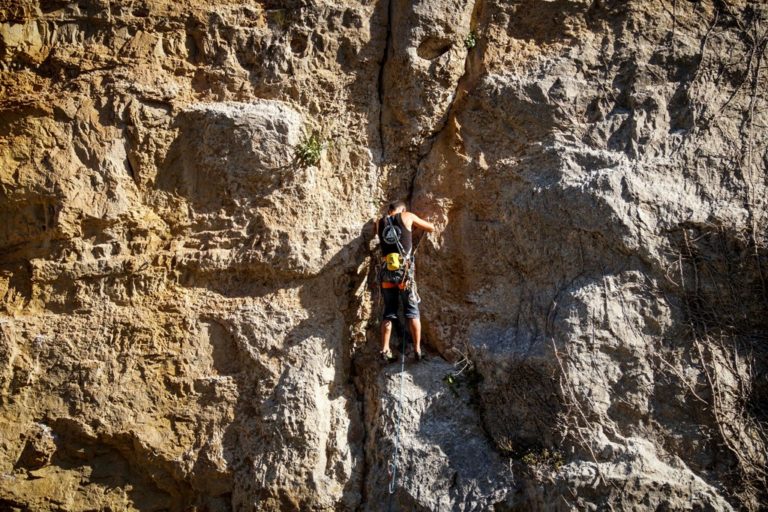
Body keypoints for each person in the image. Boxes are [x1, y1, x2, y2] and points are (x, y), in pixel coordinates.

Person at [374, 200, 435, 362]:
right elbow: (431, 227)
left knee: (389, 311)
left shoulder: (379, 223)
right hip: (404, 273)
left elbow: (386, 239)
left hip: (387, 272)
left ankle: (385, 349)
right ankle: (417, 349)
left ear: (389, 210)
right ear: (402, 209)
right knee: (412, 311)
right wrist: (411, 228)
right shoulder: (407, 216)